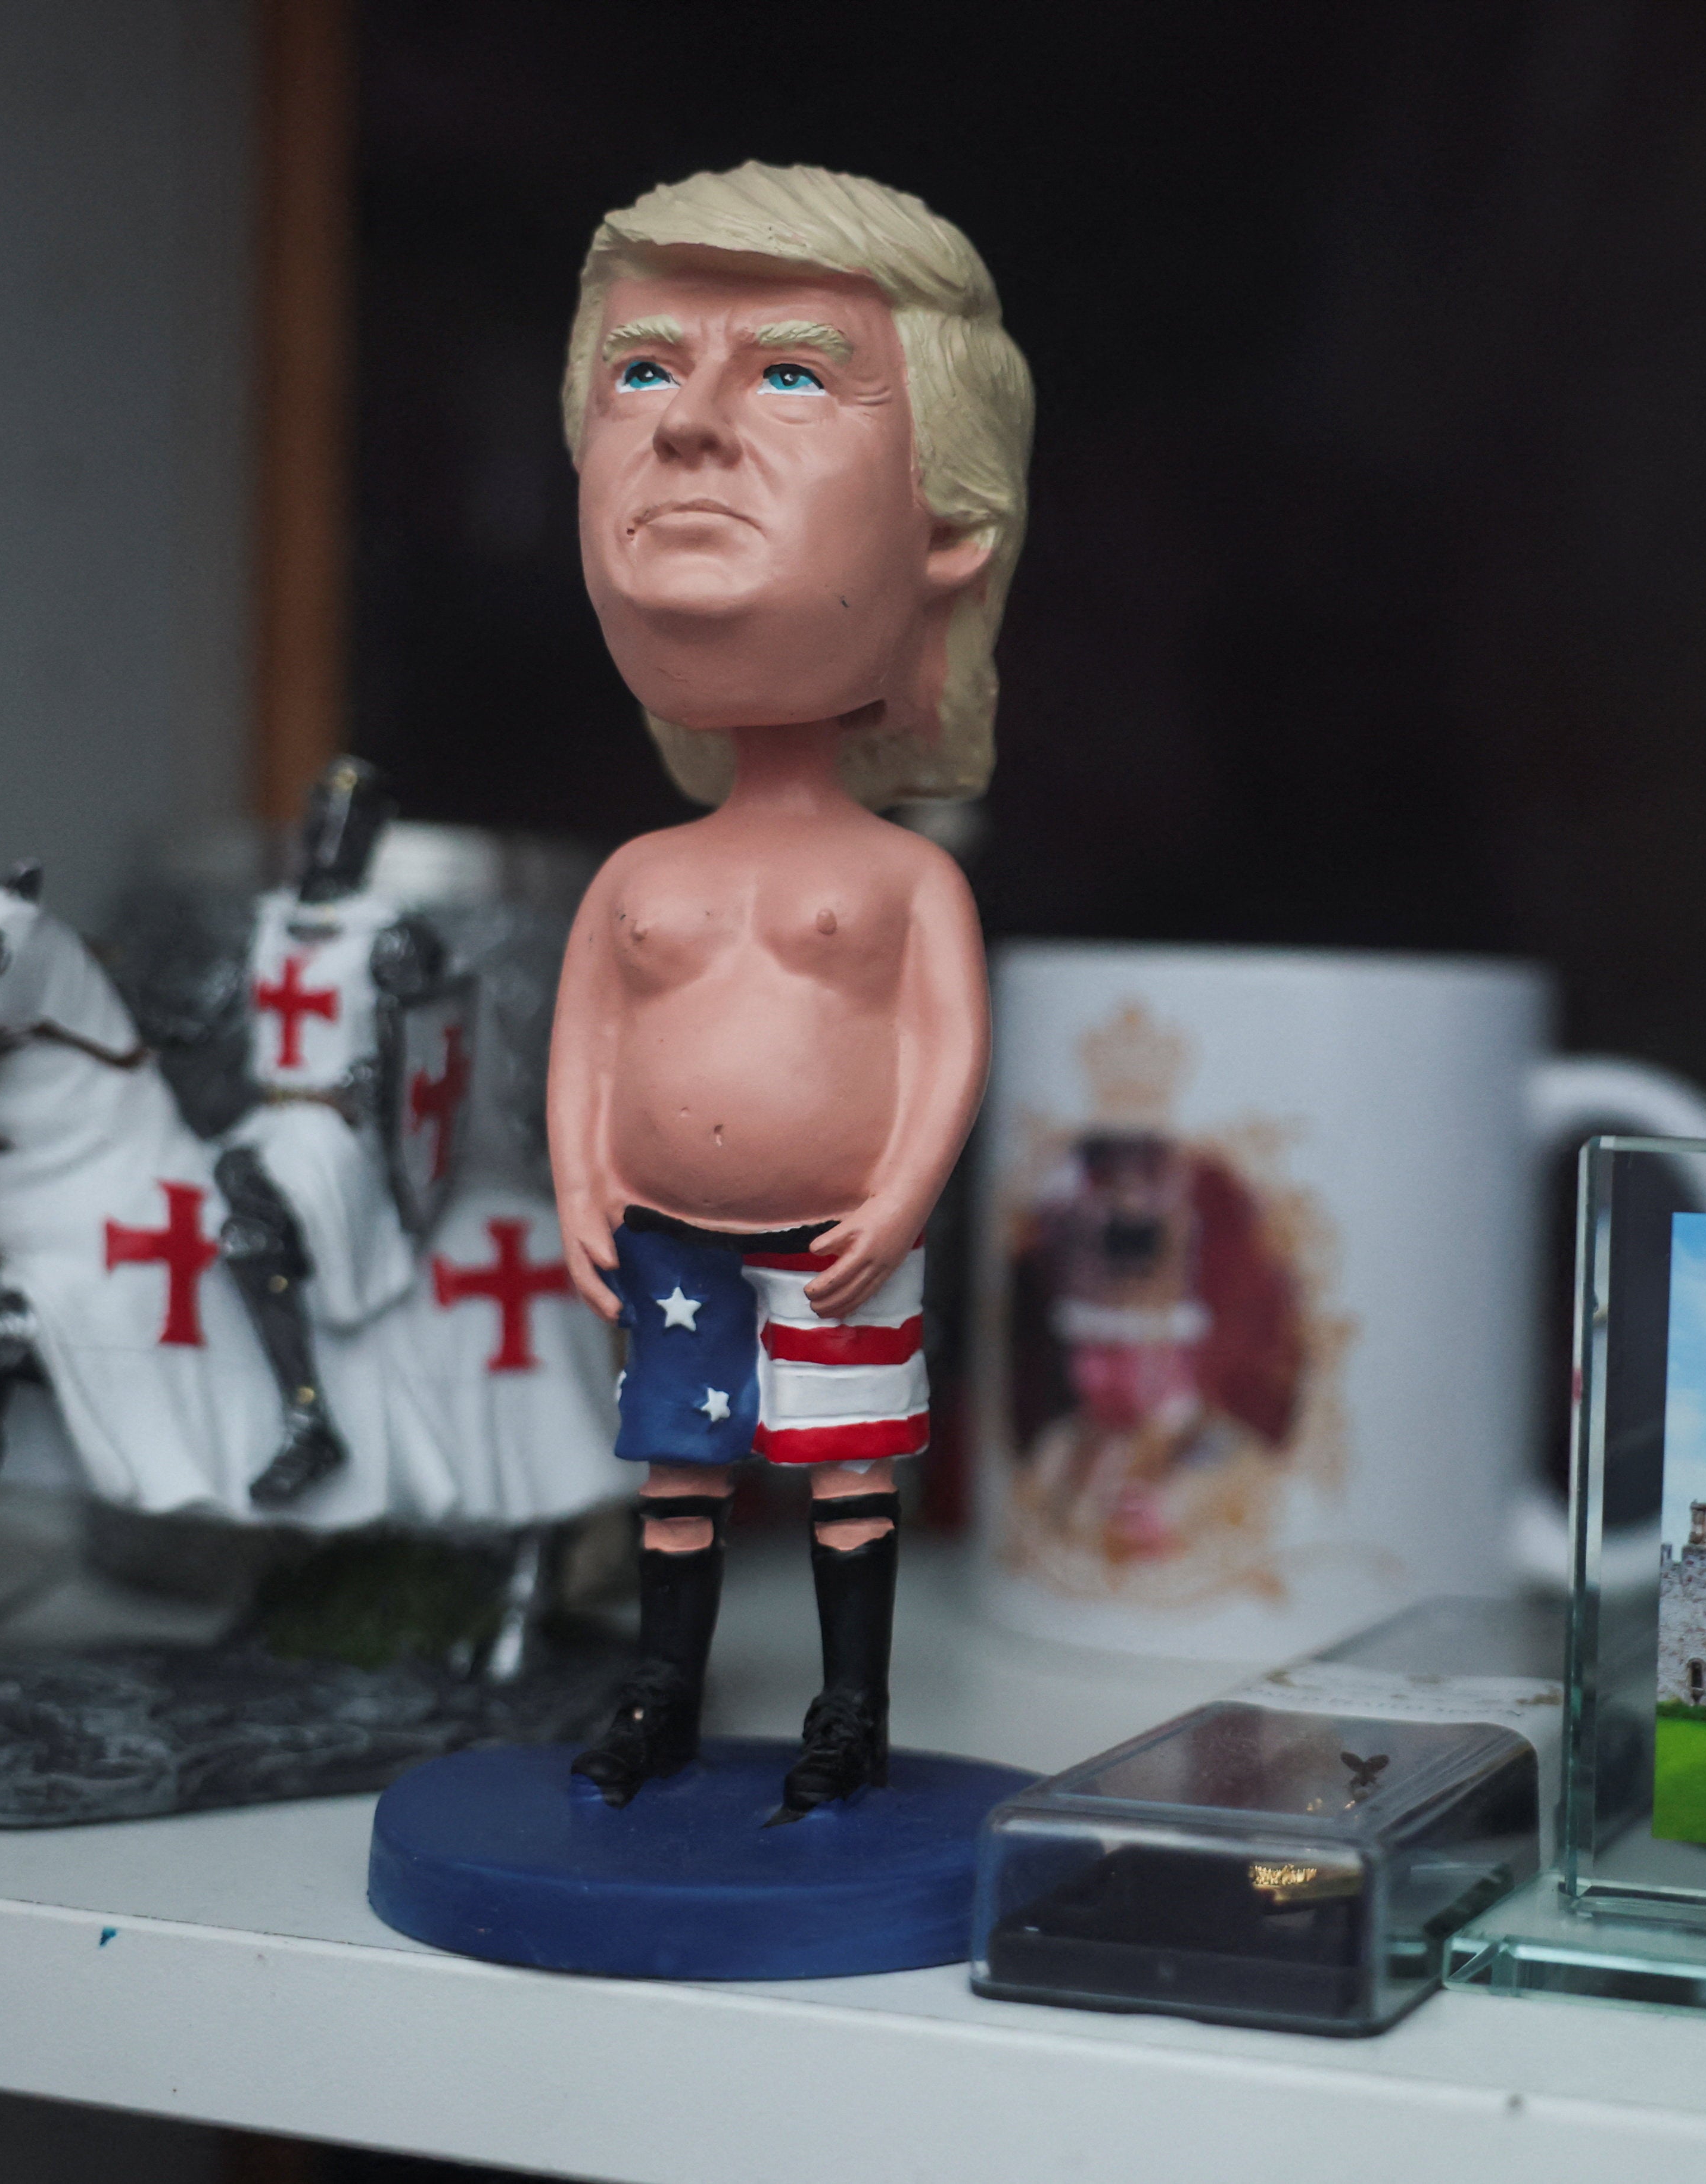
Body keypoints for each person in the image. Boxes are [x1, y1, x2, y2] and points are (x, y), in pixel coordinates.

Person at [543, 163, 1032, 1822]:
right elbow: (586, 1043)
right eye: (642, 368)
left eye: (796, 371)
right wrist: (576, 1184)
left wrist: (901, 1190)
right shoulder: (634, 876)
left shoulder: (909, 880)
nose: (686, 428)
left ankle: (848, 1710)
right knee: (679, 1478)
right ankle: (663, 1687)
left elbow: (949, 1047)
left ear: (950, 529)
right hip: (670, 1243)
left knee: (845, 1480)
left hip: (836, 1248)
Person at [217, 755, 449, 1505]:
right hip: (263, 1113)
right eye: (322, 817)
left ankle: (306, 1419)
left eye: (351, 825)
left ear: (373, 838)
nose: (331, 836)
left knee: (250, 1230)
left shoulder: (390, 935)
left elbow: (428, 1038)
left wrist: (380, 1077)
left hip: (329, 1129)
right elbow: (217, 1017)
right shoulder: (263, 919)